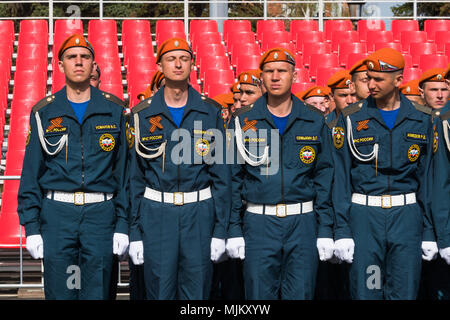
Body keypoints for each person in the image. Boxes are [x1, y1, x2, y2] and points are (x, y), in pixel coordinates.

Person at [18, 34, 129, 300]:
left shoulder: (114, 110)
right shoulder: (44, 112)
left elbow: (125, 174)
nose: (78, 62)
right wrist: (31, 227)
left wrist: (123, 224)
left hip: (101, 215)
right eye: (71, 57)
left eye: (85, 57)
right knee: (62, 292)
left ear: (93, 65)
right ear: (60, 65)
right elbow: (32, 173)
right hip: (58, 216)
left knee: (98, 292)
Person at [127, 38, 230, 300]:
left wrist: (220, 231)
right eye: (171, 58)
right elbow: (134, 180)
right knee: (159, 291)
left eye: (184, 58)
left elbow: (221, 176)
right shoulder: (141, 115)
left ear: (193, 64)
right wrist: (134, 231)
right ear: (159, 64)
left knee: (197, 294)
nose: (178, 64)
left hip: (199, 215)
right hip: (156, 215)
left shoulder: (210, 112)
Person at [228, 47, 334, 299]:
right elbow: (232, 178)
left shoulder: (315, 119)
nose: (275, 77)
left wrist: (326, 229)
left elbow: (325, 177)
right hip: (259, 223)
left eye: (282, 71)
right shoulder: (241, 121)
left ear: (294, 76)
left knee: (302, 293)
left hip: (303, 224)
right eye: (269, 72)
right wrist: (233, 228)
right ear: (261, 77)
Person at [332, 48, 438, 299]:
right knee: (369, 289)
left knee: (403, 291)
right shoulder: (352, 118)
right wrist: (342, 230)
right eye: (368, 78)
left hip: (406, 218)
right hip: (366, 219)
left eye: (378, 79)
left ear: (399, 80)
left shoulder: (421, 119)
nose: (371, 84)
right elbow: (340, 180)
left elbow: (429, 179)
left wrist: (430, 231)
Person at [416, 67, 450, 300]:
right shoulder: (433, 122)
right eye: (433, 90)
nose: (439, 95)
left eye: (443, 90)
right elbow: (436, 182)